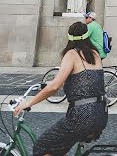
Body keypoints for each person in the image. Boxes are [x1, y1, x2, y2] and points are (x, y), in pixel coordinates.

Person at [14, 21, 108, 156]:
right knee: (58, 150)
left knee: (42, 146)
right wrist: (51, 85)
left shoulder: (72, 54)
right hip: (101, 113)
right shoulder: (95, 54)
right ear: (87, 36)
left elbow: (55, 86)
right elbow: (83, 80)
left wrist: (29, 102)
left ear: (69, 38)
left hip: (82, 116)